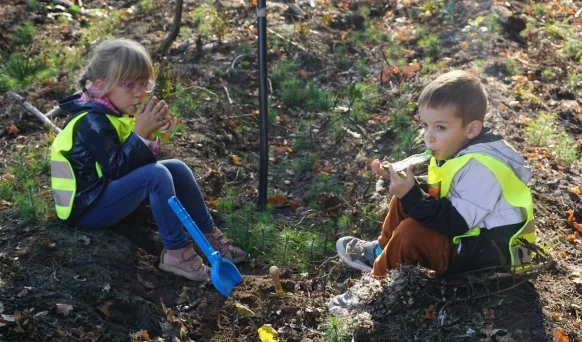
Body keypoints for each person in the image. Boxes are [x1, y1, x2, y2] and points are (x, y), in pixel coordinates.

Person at [50, 38, 246, 282]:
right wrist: (140, 135)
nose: (139, 93)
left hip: (104, 194)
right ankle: (176, 252)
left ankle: (209, 236)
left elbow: (134, 164)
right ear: (102, 86)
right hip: (86, 210)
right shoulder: (91, 121)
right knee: (157, 175)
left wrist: (151, 135)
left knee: (176, 168)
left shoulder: (114, 113)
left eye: (144, 84)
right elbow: (117, 170)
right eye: (129, 85)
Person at [335, 70, 535, 279]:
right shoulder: (459, 148)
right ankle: (382, 251)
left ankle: (375, 284)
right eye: (425, 125)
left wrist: (412, 193)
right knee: (405, 198)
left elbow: (455, 221)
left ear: (472, 129)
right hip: (468, 237)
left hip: (488, 257)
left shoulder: (482, 168)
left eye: (440, 127)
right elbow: (448, 194)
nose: (429, 137)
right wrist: (407, 184)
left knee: (410, 231)